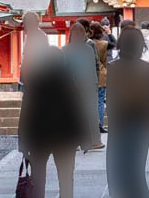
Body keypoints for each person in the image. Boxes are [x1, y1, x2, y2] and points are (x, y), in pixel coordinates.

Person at [18, 11, 85, 198]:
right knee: (66, 178)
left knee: (38, 178)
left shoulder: (36, 82)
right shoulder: (68, 81)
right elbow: (77, 110)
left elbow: (27, 113)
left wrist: (23, 141)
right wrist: (83, 137)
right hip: (65, 137)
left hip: (40, 137)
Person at [107, 27, 149, 198]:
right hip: (140, 121)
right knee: (136, 167)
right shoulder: (147, 69)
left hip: (120, 121)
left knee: (117, 167)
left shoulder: (112, 69)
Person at [64, 23, 104, 151]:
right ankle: (81, 140)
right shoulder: (69, 50)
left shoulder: (71, 49)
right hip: (78, 85)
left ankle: (92, 141)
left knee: (89, 114)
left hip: (85, 84)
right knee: (78, 114)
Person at [89, 21, 110, 133]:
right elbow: (105, 61)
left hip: (88, 74)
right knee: (100, 101)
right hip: (101, 74)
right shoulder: (104, 44)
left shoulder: (86, 43)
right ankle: (100, 124)